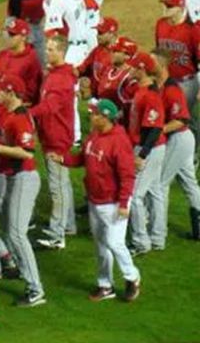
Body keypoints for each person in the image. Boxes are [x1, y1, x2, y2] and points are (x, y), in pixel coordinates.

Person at [49, 99, 141, 302]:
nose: (90, 116)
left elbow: (127, 175)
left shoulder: (119, 141)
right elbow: (82, 158)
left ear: (105, 117)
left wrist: (125, 203)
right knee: (101, 246)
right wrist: (62, 159)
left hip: (115, 202)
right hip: (95, 200)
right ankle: (105, 285)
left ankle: (132, 276)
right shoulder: (94, 136)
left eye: (94, 113)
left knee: (114, 242)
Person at [0, 76, 46, 307]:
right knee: (10, 230)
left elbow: (27, 153)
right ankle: (27, 277)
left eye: (2, 91)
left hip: (24, 178)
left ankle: (36, 289)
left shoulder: (21, 118)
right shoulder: (10, 114)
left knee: (15, 233)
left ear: (12, 93)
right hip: (14, 178)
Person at [33, 37, 77, 249]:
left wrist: (25, 114)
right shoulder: (56, 74)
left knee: (57, 187)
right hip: (53, 136)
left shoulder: (61, 80)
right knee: (64, 184)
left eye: (51, 49)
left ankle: (57, 235)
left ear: (61, 52)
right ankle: (68, 225)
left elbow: (48, 108)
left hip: (57, 140)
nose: (47, 52)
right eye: (47, 48)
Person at [153, 49, 200, 241]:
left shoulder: (172, 89)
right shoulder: (158, 85)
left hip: (179, 138)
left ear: (162, 66)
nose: (148, 64)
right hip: (181, 139)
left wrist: (158, 130)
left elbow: (181, 120)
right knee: (189, 182)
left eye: (152, 61)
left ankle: (157, 232)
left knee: (160, 183)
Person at [126, 52, 166, 256]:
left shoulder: (151, 95)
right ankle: (158, 238)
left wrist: (141, 155)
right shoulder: (141, 90)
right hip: (151, 147)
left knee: (134, 196)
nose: (131, 70)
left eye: (134, 67)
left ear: (142, 70)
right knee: (155, 191)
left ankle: (141, 241)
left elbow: (155, 128)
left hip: (149, 148)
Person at [155, 0, 200, 146]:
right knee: (167, 116)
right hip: (166, 81)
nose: (165, 8)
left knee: (183, 119)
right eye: (164, 4)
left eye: (169, 6)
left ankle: (191, 152)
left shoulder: (193, 30)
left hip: (186, 82)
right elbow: (159, 53)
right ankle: (171, 149)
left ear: (181, 8)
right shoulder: (160, 24)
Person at [44, 0, 97, 67]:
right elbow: (51, 30)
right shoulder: (60, 0)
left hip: (87, 47)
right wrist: (59, 56)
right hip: (71, 51)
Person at [0, 18, 43, 105]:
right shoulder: (2, 55)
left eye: (12, 34)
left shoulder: (31, 60)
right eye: (8, 33)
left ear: (23, 37)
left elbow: (30, 95)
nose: (8, 37)